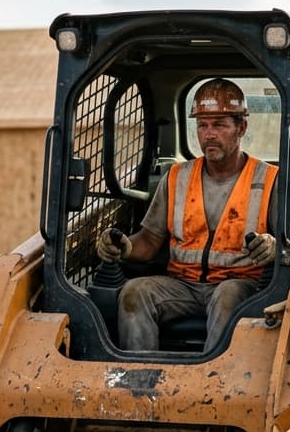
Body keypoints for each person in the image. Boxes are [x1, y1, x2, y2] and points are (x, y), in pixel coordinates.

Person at [96, 78, 277, 352]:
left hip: (240, 284)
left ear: (241, 128)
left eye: (219, 125)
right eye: (202, 125)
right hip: (182, 285)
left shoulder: (269, 180)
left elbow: (285, 245)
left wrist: (271, 246)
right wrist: (125, 247)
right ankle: (140, 379)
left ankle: (213, 383)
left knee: (227, 295)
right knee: (135, 292)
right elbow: (149, 241)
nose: (209, 134)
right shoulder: (177, 178)